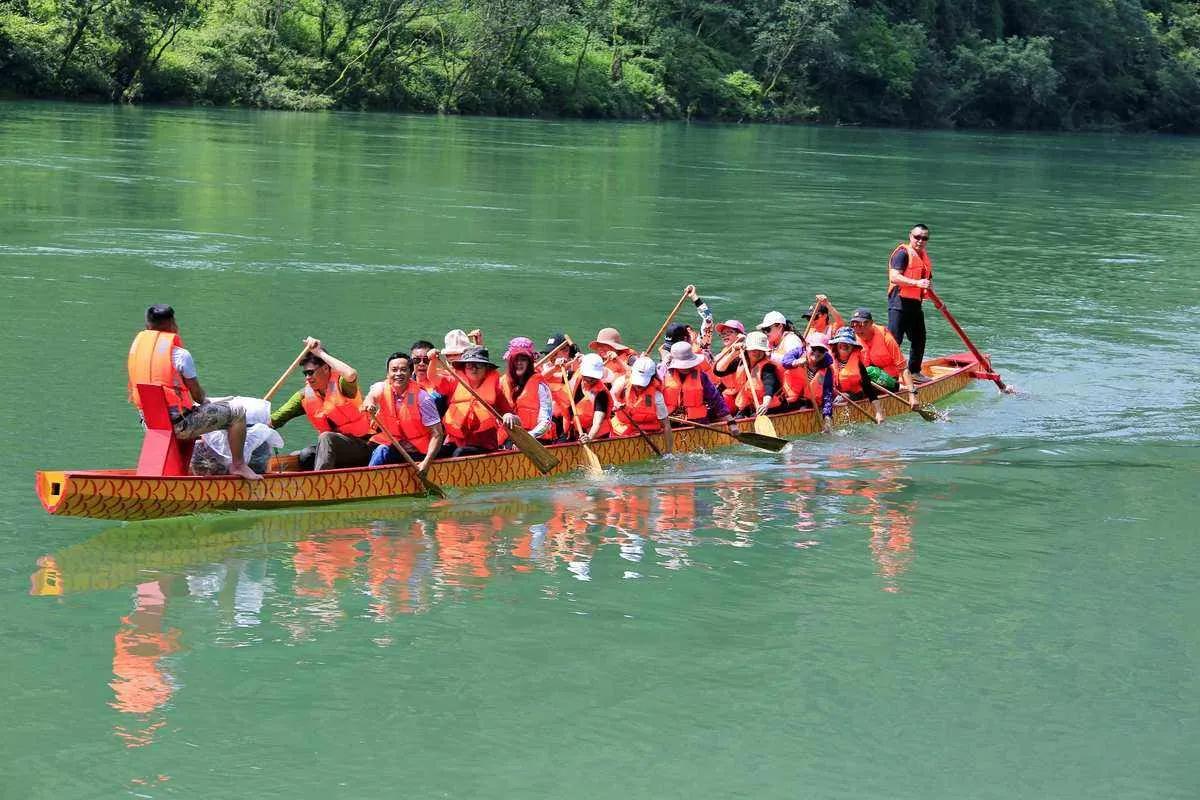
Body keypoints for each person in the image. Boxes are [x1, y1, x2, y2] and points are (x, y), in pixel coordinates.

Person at [126, 304, 260, 480]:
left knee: (200, 416)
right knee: (237, 412)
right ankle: (239, 465)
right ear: (173, 324)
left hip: (150, 424)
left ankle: (184, 471)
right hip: (180, 426)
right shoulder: (181, 355)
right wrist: (206, 401)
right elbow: (198, 396)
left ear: (147, 326)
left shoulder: (137, 353)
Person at [270, 337, 374, 470]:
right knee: (305, 454)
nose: (307, 378)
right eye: (305, 373)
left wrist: (319, 352)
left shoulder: (342, 385)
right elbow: (277, 418)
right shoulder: (304, 396)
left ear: (325, 368)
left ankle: (320, 479)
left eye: (310, 372)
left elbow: (351, 374)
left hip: (363, 445)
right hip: (334, 450)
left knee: (326, 437)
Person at [362, 351, 446, 476]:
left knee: (382, 451)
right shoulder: (381, 387)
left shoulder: (423, 398)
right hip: (394, 444)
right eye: (394, 370)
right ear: (388, 373)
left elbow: (437, 434)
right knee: (374, 447)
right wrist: (370, 403)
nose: (398, 374)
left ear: (411, 372)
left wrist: (426, 463)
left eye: (403, 370)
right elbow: (371, 396)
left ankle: (369, 480)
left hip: (417, 451)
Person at [441, 346, 515, 457]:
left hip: (483, 445)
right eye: (469, 365)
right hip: (455, 441)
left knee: (460, 453)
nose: (474, 369)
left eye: (479, 365)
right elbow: (434, 378)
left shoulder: (496, 390)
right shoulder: (453, 384)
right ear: (464, 368)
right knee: (440, 452)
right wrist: (432, 360)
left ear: (486, 369)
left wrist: (509, 415)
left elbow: (508, 412)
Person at [888, 224, 934, 382]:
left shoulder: (924, 258)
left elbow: (928, 281)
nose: (920, 241)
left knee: (919, 338)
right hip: (899, 303)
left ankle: (914, 372)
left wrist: (933, 296)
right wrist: (917, 283)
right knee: (894, 340)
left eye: (924, 238)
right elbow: (894, 277)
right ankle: (889, 375)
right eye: (917, 237)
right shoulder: (902, 253)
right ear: (910, 236)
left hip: (915, 304)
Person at [850, 307, 919, 409]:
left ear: (871, 323)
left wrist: (912, 395)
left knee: (869, 371)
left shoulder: (886, 338)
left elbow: (904, 368)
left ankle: (899, 388)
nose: (857, 329)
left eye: (861, 324)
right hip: (867, 380)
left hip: (889, 380)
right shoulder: (852, 338)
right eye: (854, 324)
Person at [662, 341, 738, 429]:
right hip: (670, 421)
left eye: (688, 364)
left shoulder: (701, 376)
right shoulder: (663, 374)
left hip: (697, 422)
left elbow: (715, 398)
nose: (686, 367)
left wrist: (731, 422)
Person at [612, 355, 673, 453]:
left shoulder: (657, 396)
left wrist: (669, 452)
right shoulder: (622, 382)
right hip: (621, 429)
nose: (638, 386)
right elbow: (611, 395)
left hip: (648, 432)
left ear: (652, 378)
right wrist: (615, 402)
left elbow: (666, 424)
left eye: (642, 384)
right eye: (637, 382)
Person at [499, 337, 554, 442]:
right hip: (509, 438)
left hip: (536, 439)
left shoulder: (540, 386)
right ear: (510, 362)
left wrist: (528, 437)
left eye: (523, 359)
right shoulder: (501, 383)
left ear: (529, 362)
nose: (519, 363)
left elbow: (546, 421)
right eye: (516, 359)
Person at [829, 327, 885, 424]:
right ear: (836, 345)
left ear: (853, 347)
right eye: (841, 343)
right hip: (834, 393)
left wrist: (878, 412)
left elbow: (868, 389)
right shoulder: (828, 361)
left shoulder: (858, 365)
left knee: (840, 399)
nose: (844, 345)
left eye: (847, 343)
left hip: (854, 394)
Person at [783, 332, 836, 434]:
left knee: (803, 408)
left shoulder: (827, 370)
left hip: (811, 403)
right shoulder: (798, 353)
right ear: (807, 346)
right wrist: (796, 362)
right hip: (791, 399)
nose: (817, 352)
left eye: (821, 350)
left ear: (825, 352)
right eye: (814, 348)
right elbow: (784, 361)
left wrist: (827, 416)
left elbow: (827, 394)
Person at [729, 331, 784, 418]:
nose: (758, 353)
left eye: (761, 350)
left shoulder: (768, 367)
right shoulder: (741, 362)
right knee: (739, 416)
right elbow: (719, 371)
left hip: (769, 406)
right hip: (751, 405)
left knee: (754, 415)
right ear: (747, 350)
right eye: (754, 350)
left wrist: (765, 404)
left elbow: (769, 386)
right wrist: (733, 353)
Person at [573, 353, 613, 443]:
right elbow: (546, 377)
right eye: (587, 376)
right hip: (577, 429)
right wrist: (556, 367)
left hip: (597, 435)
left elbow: (597, 422)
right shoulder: (574, 378)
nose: (590, 380)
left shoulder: (601, 394)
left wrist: (589, 437)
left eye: (594, 377)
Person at [711, 319, 746, 407]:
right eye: (723, 334)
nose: (725, 336)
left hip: (743, 395)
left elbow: (720, 370)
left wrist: (742, 341)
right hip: (728, 392)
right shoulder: (721, 354)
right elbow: (717, 371)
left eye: (729, 332)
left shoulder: (746, 352)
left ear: (739, 334)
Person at [588, 327, 635, 391]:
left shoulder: (631, 358)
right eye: (599, 345)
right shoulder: (599, 360)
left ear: (614, 346)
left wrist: (617, 359)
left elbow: (635, 374)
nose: (600, 348)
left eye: (604, 345)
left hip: (625, 392)